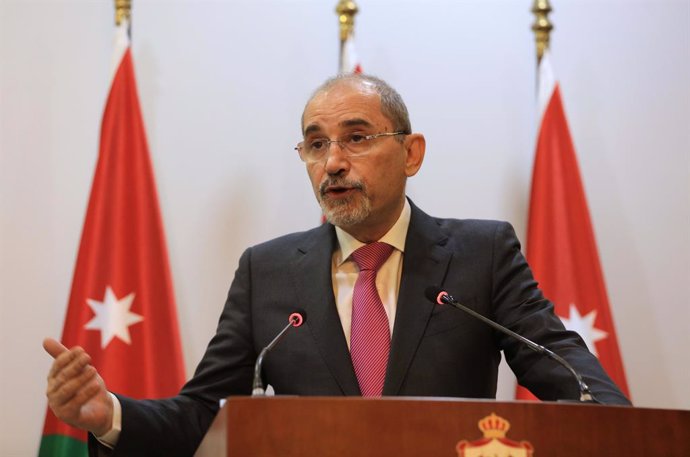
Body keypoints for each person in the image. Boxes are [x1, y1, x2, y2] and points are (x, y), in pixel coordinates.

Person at [44, 73, 630, 456]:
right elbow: (204, 413)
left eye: (356, 137)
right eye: (316, 144)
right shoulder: (266, 272)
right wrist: (108, 414)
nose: (333, 163)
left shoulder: (482, 256)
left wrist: (616, 433)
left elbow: (580, 387)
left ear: (411, 152)